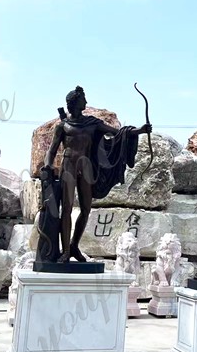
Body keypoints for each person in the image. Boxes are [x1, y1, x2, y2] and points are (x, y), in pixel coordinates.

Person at [44, 86, 151, 263]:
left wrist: (139, 130)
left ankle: (74, 245)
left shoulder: (92, 123)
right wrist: (47, 167)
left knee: (86, 209)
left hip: (86, 167)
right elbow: (52, 150)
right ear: (75, 103)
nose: (86, 102)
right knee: (67, 209)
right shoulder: (63, 126)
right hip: (68, 167)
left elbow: (118, 133)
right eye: (83, 99)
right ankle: (65, 251)